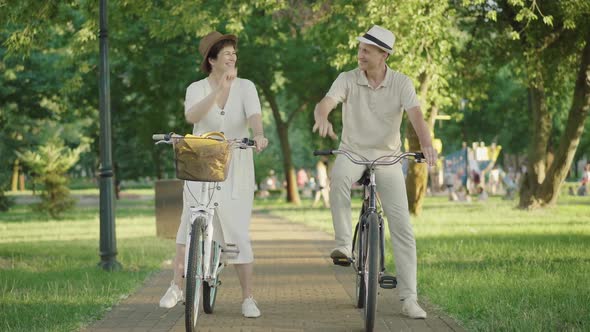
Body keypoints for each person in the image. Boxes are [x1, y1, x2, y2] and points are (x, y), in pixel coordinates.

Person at [312, 25, 437, 319]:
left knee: (403, 227)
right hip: (353, 151)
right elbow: (325, 104)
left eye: (366, 50)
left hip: (388, 157)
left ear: (384, 54)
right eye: (360, 49)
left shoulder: (402, 83)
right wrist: (323, 117)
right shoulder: (347, 79)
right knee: (339, 176)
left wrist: (427, 145)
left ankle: (409, 298)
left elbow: (416, 116)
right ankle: (344, 244)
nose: (360, 54)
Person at [158, 31, 268, 318]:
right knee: (189, 221)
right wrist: (219, 89)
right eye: (227, 53)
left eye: (234, 53)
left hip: (237, 164)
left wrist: (259, 136)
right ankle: (176, 285)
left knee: (236, 233)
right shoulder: (197, 87)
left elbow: (255, 117)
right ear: (212, 60)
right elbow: (193, 117)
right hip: (201, 163)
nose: (233, 57)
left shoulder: (246, 87)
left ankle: (248, 298)